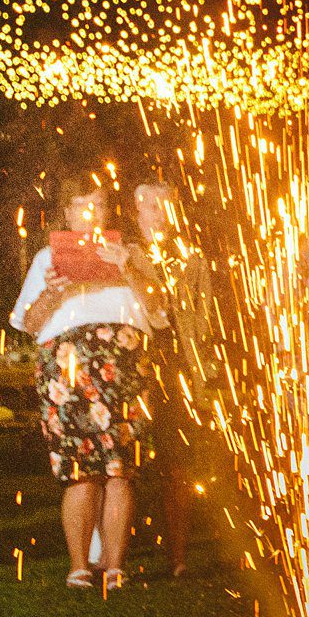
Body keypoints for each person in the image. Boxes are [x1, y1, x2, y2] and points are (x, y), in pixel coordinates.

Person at [9, 182, 153, 592]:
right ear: (67, 215)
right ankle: (78, 565)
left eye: (98, 206)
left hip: (124, 367)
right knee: (79, 470)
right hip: (68, 371)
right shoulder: (46, 258)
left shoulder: (133, 254)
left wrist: (131, 269)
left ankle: (114, 565)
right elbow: (29, 323)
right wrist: (53, 292)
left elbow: (159, 311)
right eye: (81, 207)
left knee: (120, 470)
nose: (91, 214)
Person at [132, 181, 215, 577]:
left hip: (177, 370)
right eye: (152, 206)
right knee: (127, 464)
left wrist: (204, 376)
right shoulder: (126, 254)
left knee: (176, 465)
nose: (160, 213)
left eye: (167, 206)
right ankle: (122, 547)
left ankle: (177, 553)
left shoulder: (192, 258)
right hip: (133, 369)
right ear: (137, 211)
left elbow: (203, 321)